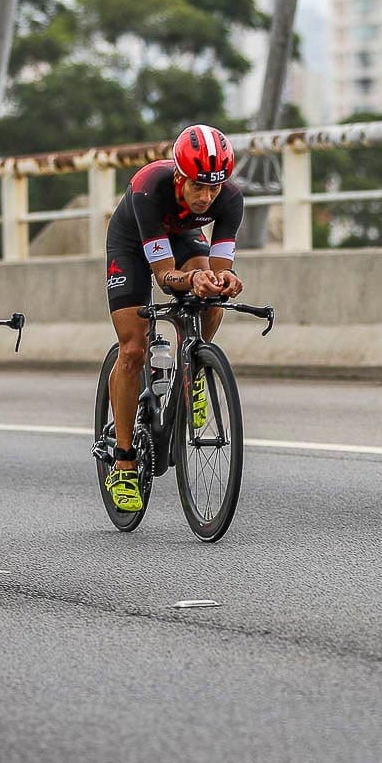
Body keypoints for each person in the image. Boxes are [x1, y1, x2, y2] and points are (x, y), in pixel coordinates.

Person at [101, 124, 245, 512]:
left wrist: (224, 279)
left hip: (182, 237)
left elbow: (219, 268)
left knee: (211, 296)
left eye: (214, 187)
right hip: (132, 243)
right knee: (133, 349)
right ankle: (124, 462)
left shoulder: (230, 198)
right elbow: (166, 276)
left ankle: (192, 370)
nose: (206, 197)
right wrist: (190, 278)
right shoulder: (150, 187)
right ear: (180, 175)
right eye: (198, 186)